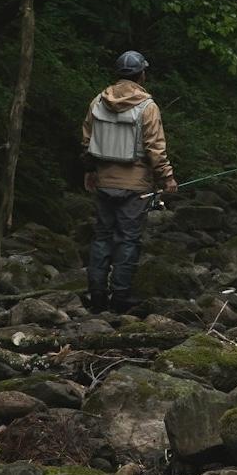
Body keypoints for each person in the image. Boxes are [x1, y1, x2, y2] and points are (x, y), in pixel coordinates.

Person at [81, 50, 176, 313]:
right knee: (128, 239)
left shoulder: (98, 101)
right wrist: (167, 179)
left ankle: (97, 295)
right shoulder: (147, 107)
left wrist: (90, 172)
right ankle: (121, 296)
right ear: (141, 75)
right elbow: (155, 149)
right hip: (135, 187)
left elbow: (87, 141)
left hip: (103, 181)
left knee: (101, 237)